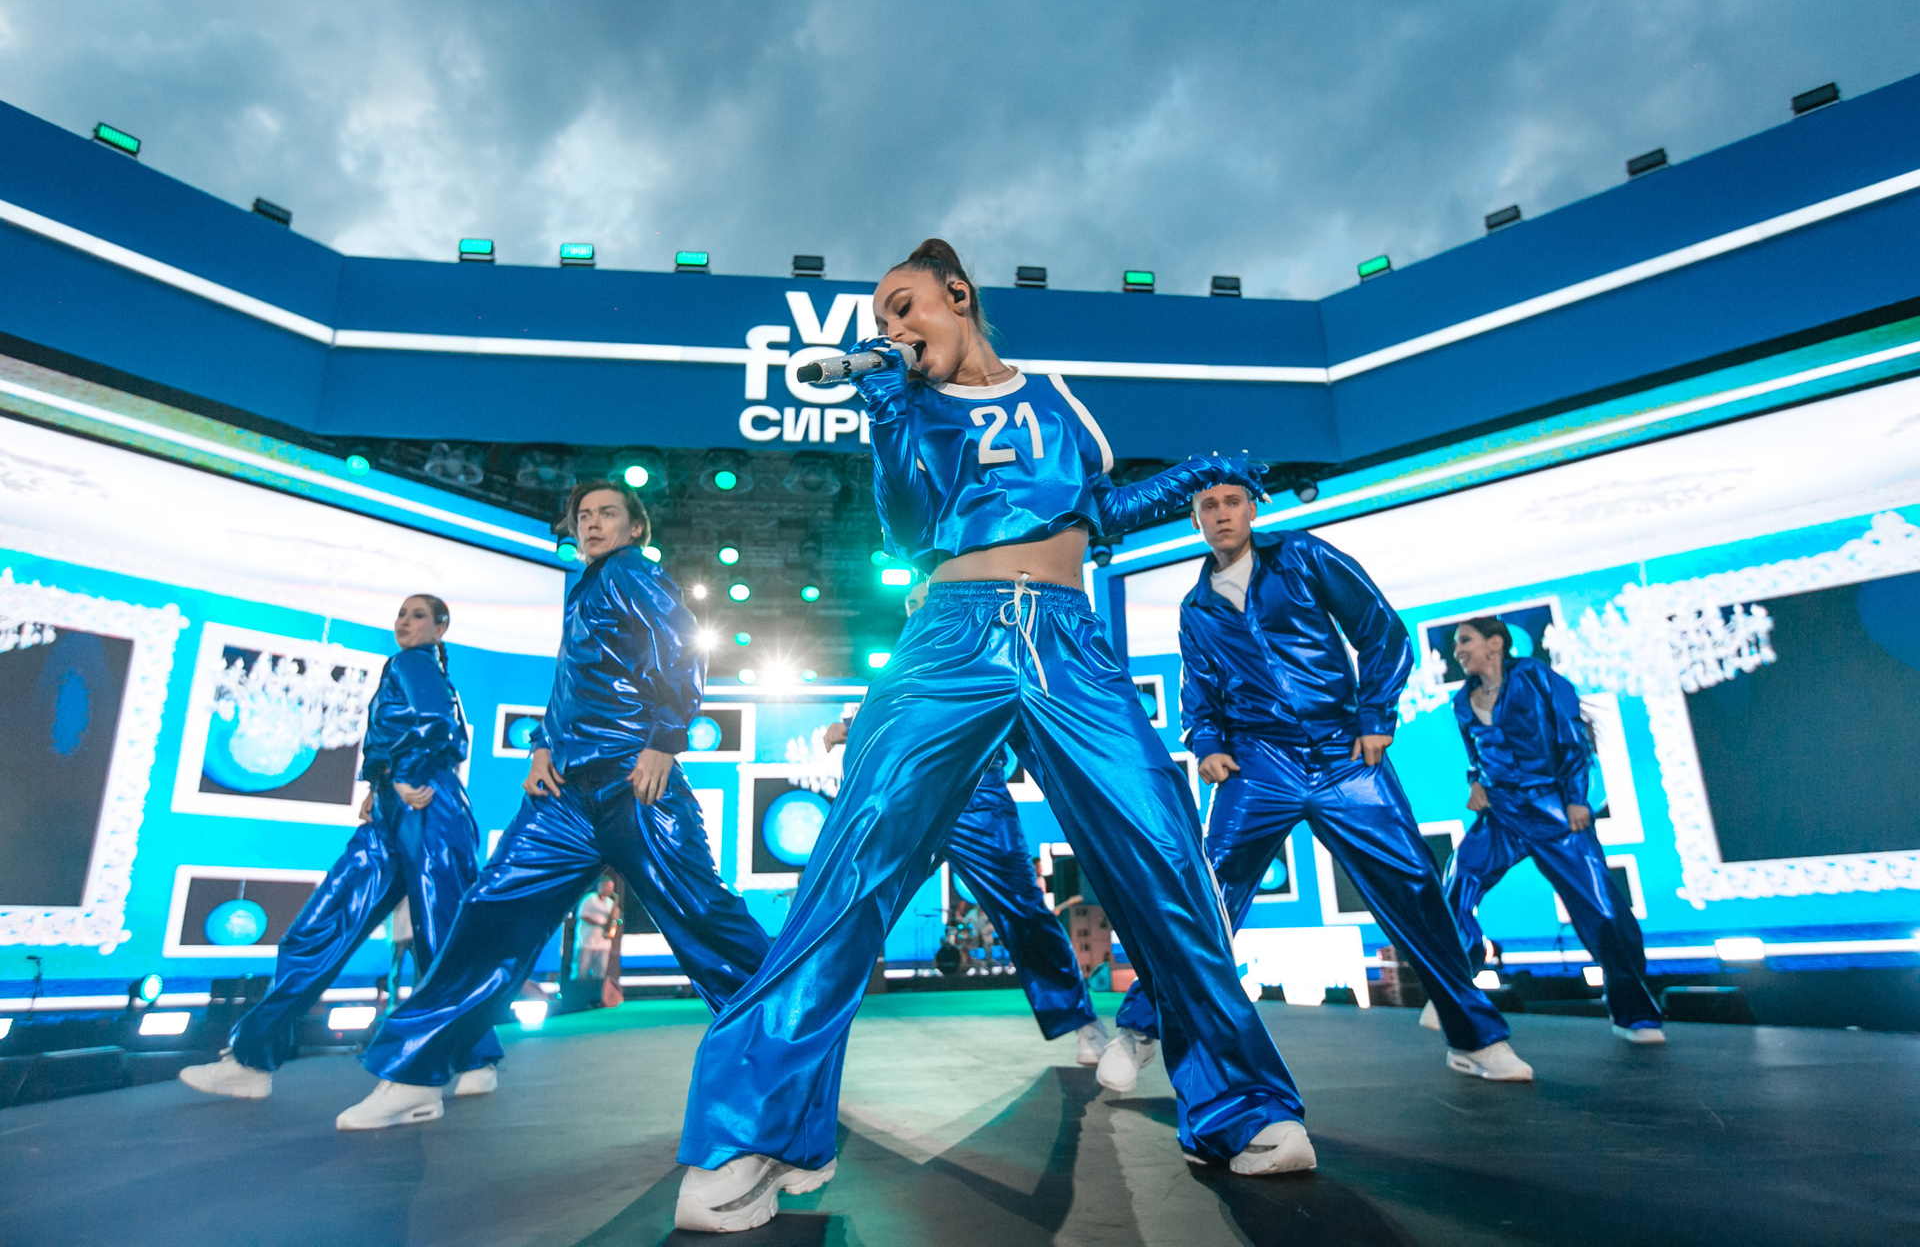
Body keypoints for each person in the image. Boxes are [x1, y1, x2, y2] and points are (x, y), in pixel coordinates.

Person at [674, 239, 1309, 1235]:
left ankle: (1241, 1107)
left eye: (903, 306)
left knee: (1167, 859)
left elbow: (1096, 512)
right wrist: (887, 413)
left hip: (1068, 640)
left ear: (958, 295)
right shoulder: (908, 404)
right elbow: (904, 528)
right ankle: (757, 1130)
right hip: (950, 639)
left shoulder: (1059, 400)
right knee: (851, 864)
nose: (891, 327)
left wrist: (1195, 475)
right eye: (879, 319)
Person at [335, 479, 772, 1130]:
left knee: (706, 919)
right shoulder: (583, 587)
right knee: (489, 912)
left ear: (634, 527)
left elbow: (682, 647)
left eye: (607, 514)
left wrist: (664, 740)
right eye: (584, 515)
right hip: (564, 796)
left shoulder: (632, 573)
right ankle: (415, 1073)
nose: (592, 523)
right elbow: (571, 683)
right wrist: (543, 744)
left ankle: (792, 1048)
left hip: (631, 783)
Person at [1104, 483, 1534, 1091]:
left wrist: (1375, 715)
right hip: (1258, 762)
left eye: (1233, 502)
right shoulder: (1196, 607)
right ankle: (1140, 1030)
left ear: (1253, 508)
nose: (1222, 514)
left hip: (1344, 754)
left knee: (1414, 888)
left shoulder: (1303, 556)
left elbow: (1381, 631)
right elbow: (1199, 690)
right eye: (1209, 507)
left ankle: (1476, 1038)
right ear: (1196, 520)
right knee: (1207, 892)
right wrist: (1207, 744)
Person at [180, 595, 504, 1102]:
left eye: (418, 615)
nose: (405, 622)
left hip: (427, 802)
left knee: (436, 935)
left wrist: (403, 776)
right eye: (401, 614)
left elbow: (440, 724)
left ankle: (475, 1058)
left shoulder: (413, 665)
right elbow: (403, 733)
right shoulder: (407, 666)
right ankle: (251, 1058)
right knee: (324, 926)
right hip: (399, 804)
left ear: (441, 628)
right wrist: (380, 784)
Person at [821, 714, 1110, 1064]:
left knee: (1024, 912)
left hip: (978, 795)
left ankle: (1082, 1020)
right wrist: (856, 724)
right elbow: (905, 691)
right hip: (914, 793)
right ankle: (802, 1030)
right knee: (855, 900)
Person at [1437, 618, 1664, 1043]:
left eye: (1465, 640)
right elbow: (1475, 757)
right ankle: (1456, 985)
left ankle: (1635, 1013)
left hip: (1553, 810)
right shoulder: (1462, 701)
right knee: (1455, 884)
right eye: (1456, 644)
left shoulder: (1535, 677)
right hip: (1503, 812)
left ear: (1495, 642)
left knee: (1603, 910)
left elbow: (1571, 738)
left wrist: (1577, 798)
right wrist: (1475, 783)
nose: (1458, 651)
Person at [575, 875, 619, 980]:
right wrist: (600, 924)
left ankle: (597, 989)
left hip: (603, 944)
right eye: (608, 887)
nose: (610, 890)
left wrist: (615, 918)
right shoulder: (590, 899)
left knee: (600, 973)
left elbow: (614, 920)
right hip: (587, 942)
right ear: (600, 886)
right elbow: (582, 915)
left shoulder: (610, 902)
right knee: (582, 972)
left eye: (612, 887)